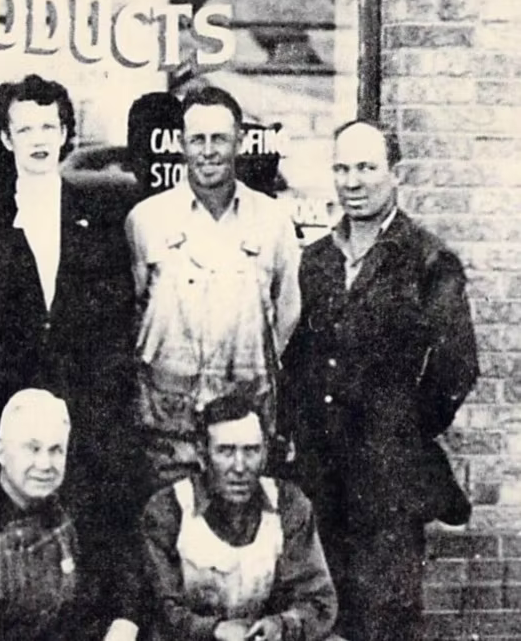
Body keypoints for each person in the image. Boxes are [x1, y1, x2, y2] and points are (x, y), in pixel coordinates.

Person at [280, 120, 479, 641]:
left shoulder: (429, 262)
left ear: (396, 174)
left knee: (385, 617)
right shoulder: (316, 261)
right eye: (342, 168)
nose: (353, 181)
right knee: (324, 612)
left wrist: (397, 428)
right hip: (321, 477)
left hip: (388, 484)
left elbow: (456, 368)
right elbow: (300, 361)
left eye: (367, 167)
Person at [0, 74, 137, 590]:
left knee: (84, 532)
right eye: (25, 128)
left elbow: (117, 319)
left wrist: (103, 404)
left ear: (65, 135)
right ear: (6, 139)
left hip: (82, 403)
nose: (37, 140)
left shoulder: (98, 214)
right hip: (4, 403)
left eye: (48, 127)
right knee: (10, 539)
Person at [124, 86, 301, 497]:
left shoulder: (273, 221)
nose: (208, 151)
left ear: (239, 141)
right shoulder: (146, 221)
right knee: (171, 533)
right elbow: (135, 314)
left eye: (219, 138)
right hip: (168, 427)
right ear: (181, 143)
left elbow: (287, 313)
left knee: (240, 541)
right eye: (197, 139)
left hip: (244, 425)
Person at [0, 388, 139, 641]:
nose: (44, 464)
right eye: (32, 449)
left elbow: (125, 579)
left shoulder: (75, 512)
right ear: (0, 454)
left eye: (56, 450)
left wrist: (124, 623)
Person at [138, 392, 338, 641]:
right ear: (202, 455)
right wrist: (213, 630)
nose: (240, 467)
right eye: (226, 451)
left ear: (265, 453)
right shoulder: (169, 509)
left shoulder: (287, 503)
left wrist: (281, 625)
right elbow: (160, 606)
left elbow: (317, 600)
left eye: (251, 451)